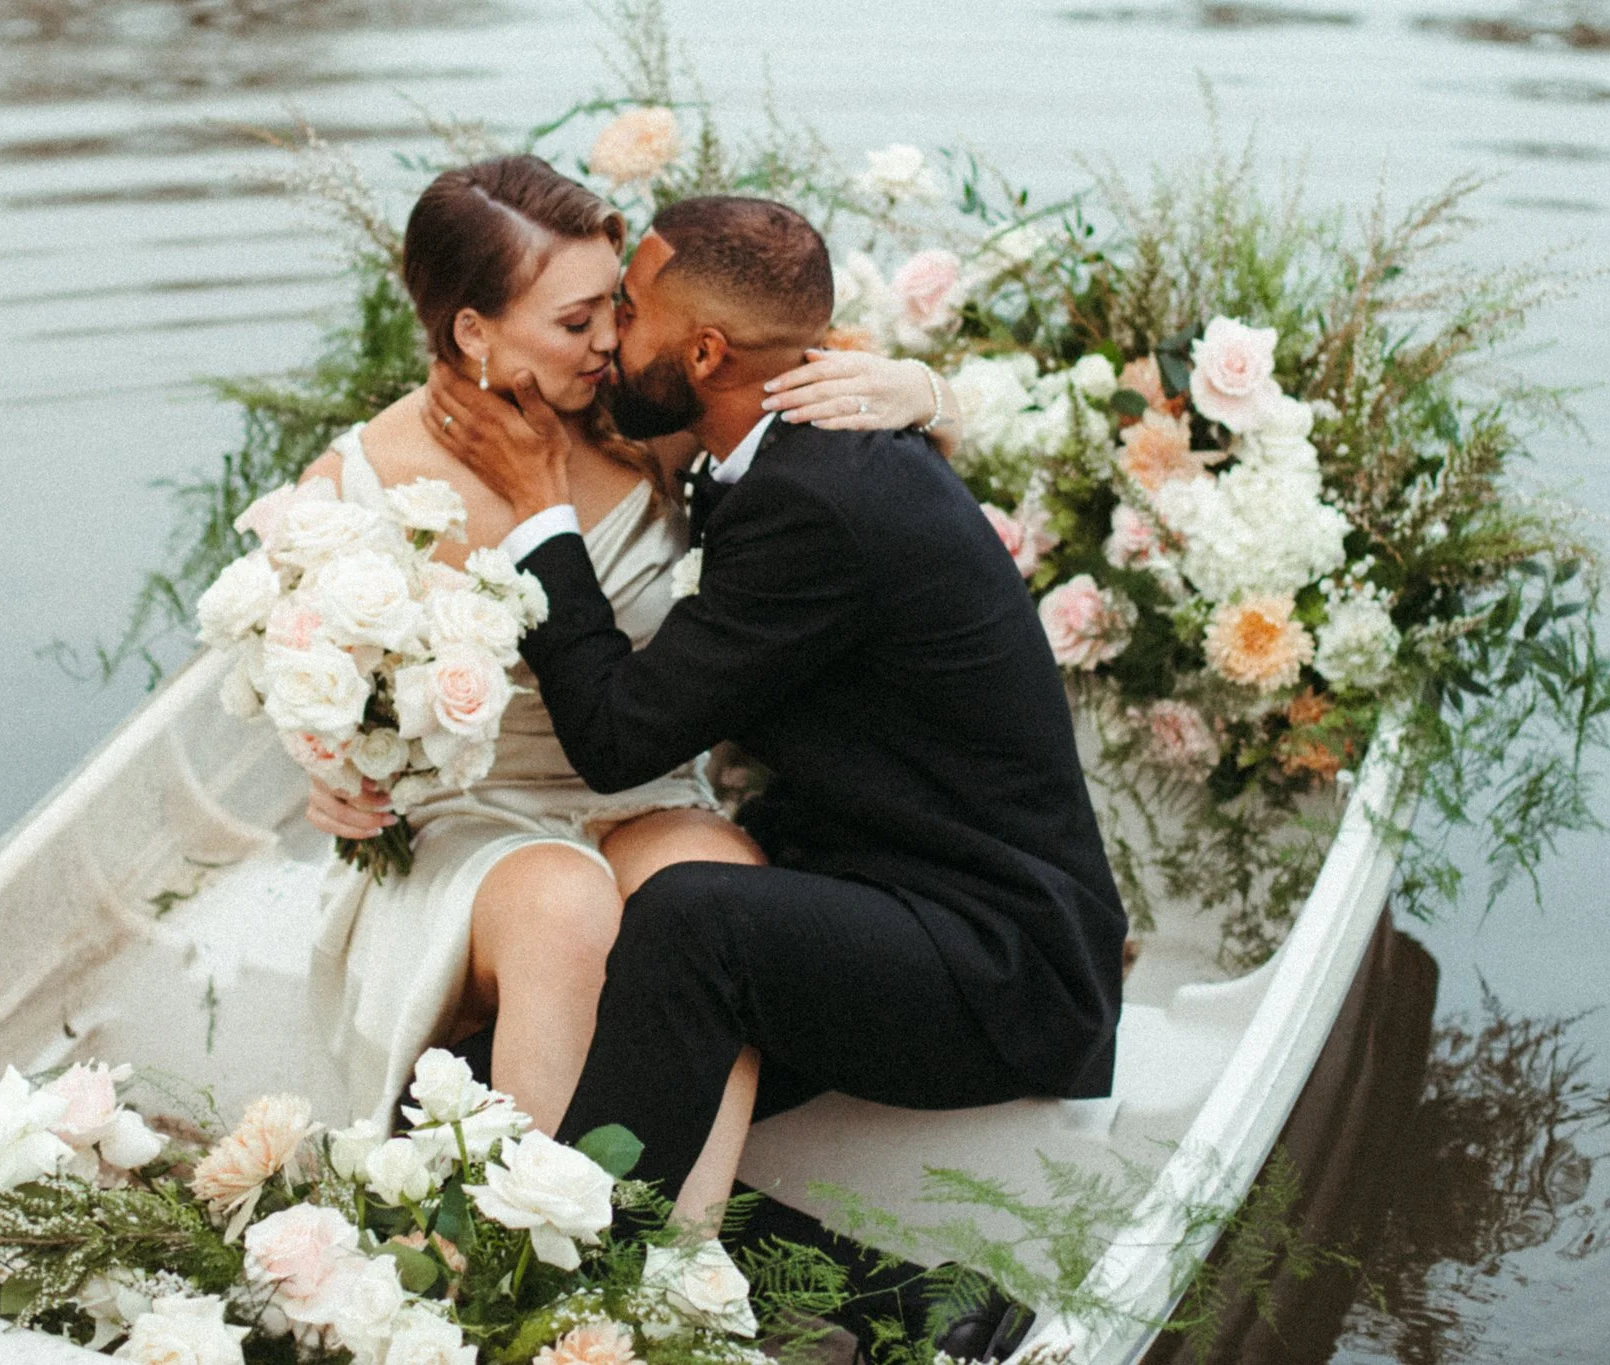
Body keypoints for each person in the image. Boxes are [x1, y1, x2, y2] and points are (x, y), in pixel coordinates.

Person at [420, 195, 1128, 1299]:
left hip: (1001, 967)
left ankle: (562, 1297)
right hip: (879, 896)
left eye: (628, 308)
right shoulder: (787, 444)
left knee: (692, 915)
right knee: (479, 1075)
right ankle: (885, 1296)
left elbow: (615, 737)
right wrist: (922, 391)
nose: (609, 334)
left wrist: (537, 512)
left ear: (704, 353)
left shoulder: (817, 500)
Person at [297, 157, 954, 1223]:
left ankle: (668, 1274)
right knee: (564, 905)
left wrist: (926, 393)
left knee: (717, 887)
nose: (610, 340)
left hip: (643, 787)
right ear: (472, 332)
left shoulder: (641, 431)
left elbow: (811, 460)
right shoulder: (354, 488)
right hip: (472, 821)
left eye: (613, 304)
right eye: (573, 321)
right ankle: (530, 1257)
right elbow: (304, 676)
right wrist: (326, 771)